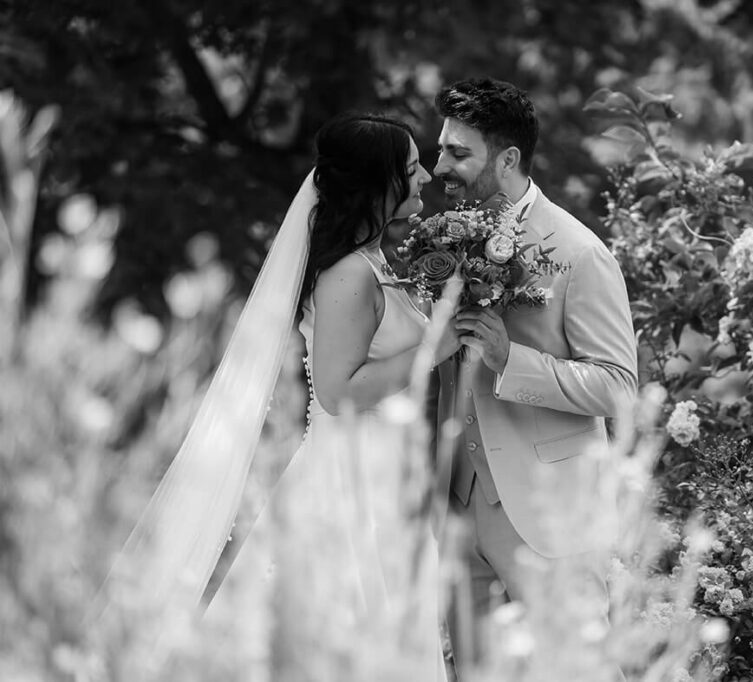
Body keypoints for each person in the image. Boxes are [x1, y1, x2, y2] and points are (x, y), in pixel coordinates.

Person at [93, 114, 457, 678]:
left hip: (387, 477)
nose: (426, 177)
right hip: (347, 485)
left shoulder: (380, 263)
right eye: (411, 169)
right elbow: (338, 394)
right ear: (377, 183)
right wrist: (437, 342)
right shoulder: (348, 276)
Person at [431, 78, 639, 670]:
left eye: (457, 153)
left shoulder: (579, 253)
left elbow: (619, 389)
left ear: (509, 159)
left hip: (549, 519)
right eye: (443, 148)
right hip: (459, 507)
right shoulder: (443, 244)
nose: (440, 164)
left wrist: (510, 360)